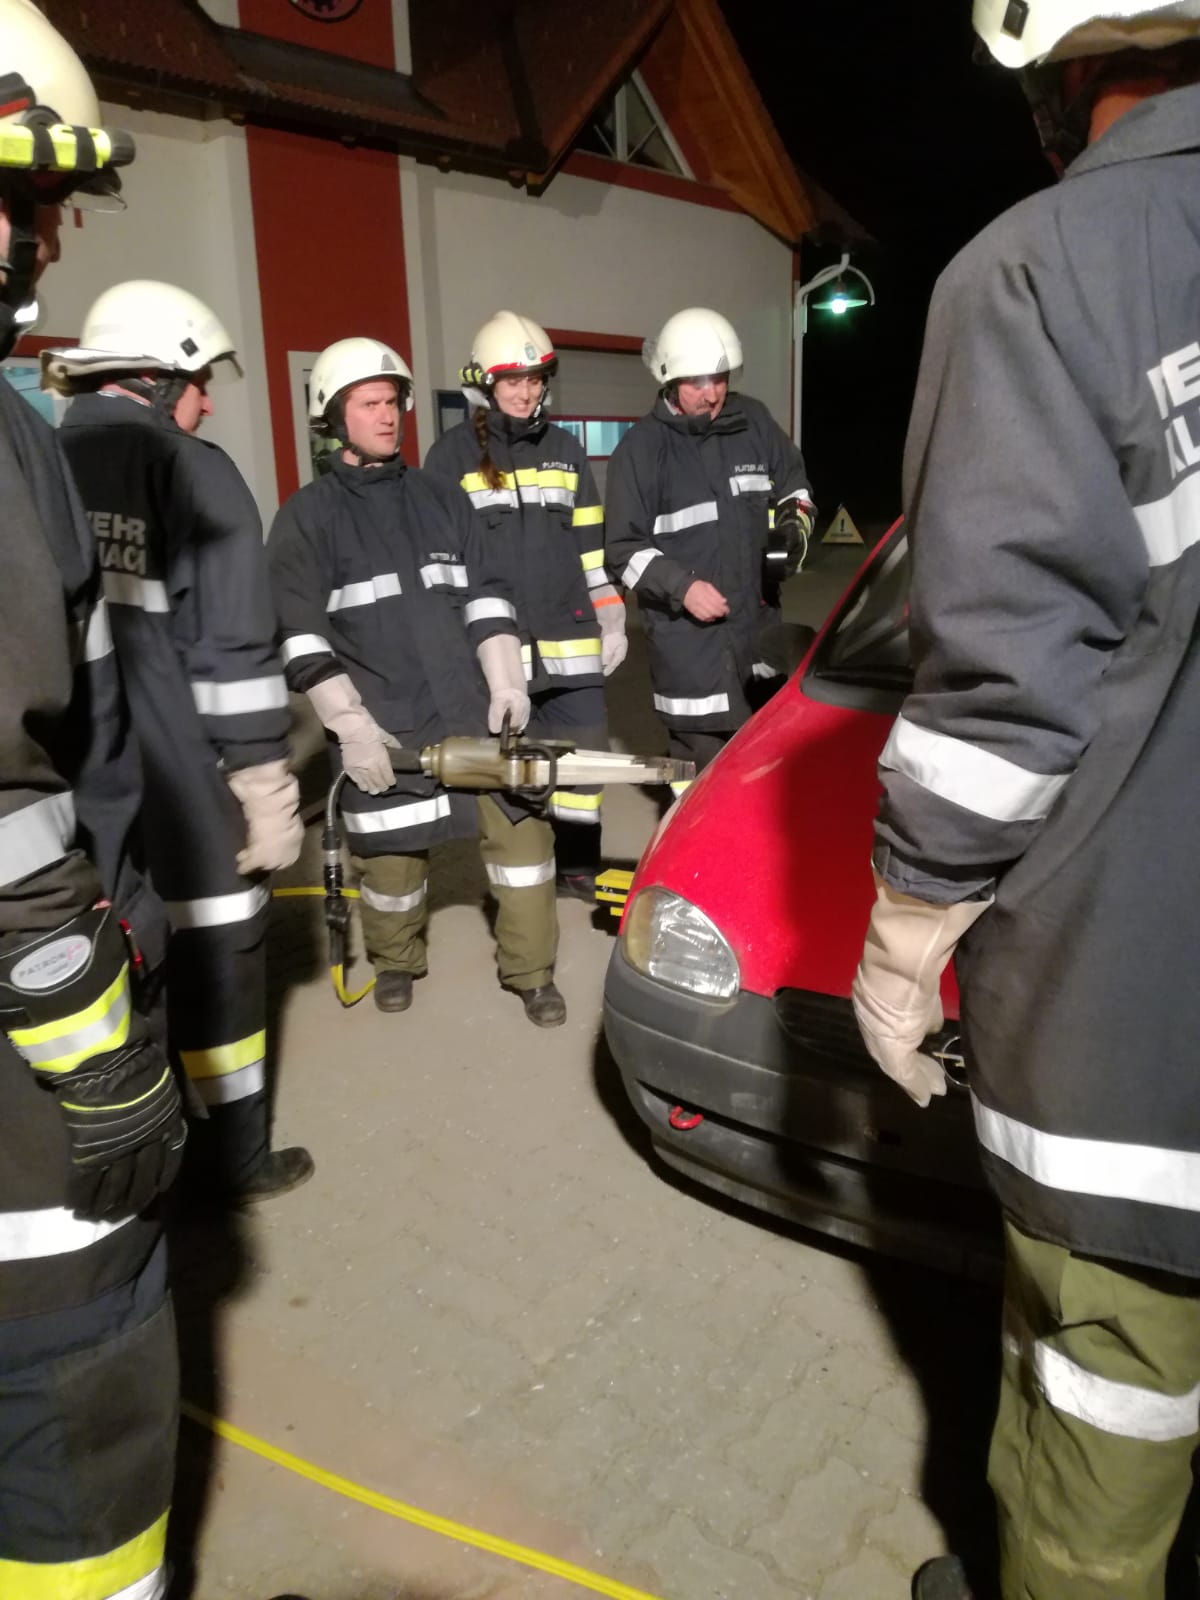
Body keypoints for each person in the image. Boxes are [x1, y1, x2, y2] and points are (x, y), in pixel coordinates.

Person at [850, 5, 1200, 1597]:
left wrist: (907, 932)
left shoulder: (1049, 267)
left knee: (1102, 1418)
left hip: (1139, 1044)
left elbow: (1003, 691)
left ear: (1061, 74)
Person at [0, 5, 187, 1594]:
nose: (51, 234)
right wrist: (105, 1062)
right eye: (33, 195)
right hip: (23, 1140)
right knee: (81, 1465)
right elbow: (13, 811)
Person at [43, 281, 314, 1205]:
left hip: (73, 793)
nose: (207, 404)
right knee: (224, 957)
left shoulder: (39, 464)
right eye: (200, 384)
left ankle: (139, 1153)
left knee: (114, 964)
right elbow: (233, 649)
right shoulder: (194, 472)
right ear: (158, 379)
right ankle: (230, 1162)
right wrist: (266, 784)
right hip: (182, 783)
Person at [269, 337, 567, 1026]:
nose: (387, 416)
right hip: (385, 724)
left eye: (392, 402)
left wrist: (507, 683)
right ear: (333, 416)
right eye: (369, 404)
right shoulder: (307, 519)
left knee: (524, 842)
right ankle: (396, 961)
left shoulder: (441, 498)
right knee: (391, 864)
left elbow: (487, 596)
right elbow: (300, 636)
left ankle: (532, 973)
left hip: (472, 713)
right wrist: (351, 726)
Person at [423, 312, 624, 900]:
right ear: (485, 384)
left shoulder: (566, 450)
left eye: (535, 379)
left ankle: (578, 866)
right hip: (499, 652)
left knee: (583, 766)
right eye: (513, 380)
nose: (526, 391)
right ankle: (526, 876)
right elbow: (445, 568)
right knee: (516, 771)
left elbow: (591, 550)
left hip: (572, 639)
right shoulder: (450, 458)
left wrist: (612, 617)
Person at [604, 307, 814, 785]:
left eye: (719, 379)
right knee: (697, 787)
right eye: (697, 382)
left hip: (758, 641)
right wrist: (683, 587)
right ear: (669, 378)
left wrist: (793, 528)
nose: (712, 393)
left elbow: (795, 489)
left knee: (763, 778)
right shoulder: (641, 451)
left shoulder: (754, 423)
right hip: (691, 656)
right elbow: (623, 551)